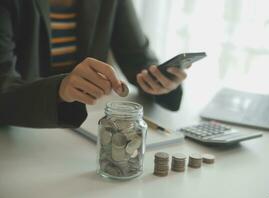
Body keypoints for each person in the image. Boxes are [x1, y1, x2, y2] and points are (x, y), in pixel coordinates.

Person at [0, 0, 187, 128]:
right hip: (18, 139)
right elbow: (3, 87)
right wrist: (60, 90)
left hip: (83, 131)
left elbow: (138, 59)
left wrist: (160, 80)